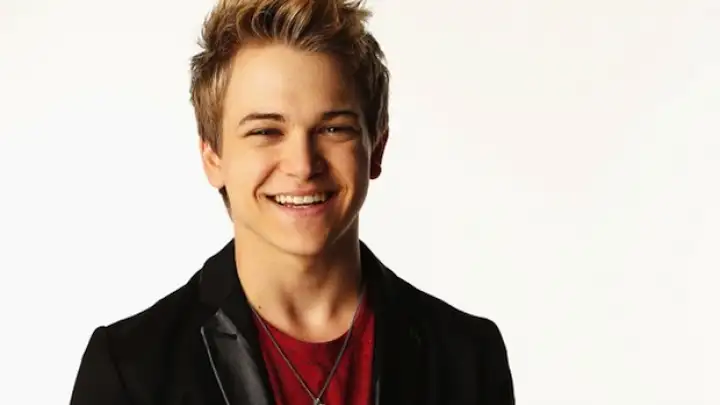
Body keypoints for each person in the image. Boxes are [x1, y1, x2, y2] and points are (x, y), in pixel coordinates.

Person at [69, 0, 515, 404]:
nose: (302, 165)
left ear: (376, 148)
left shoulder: (468, 357)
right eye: (265, 131)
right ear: (212, 157)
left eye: (334, 128)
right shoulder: (131, 371)